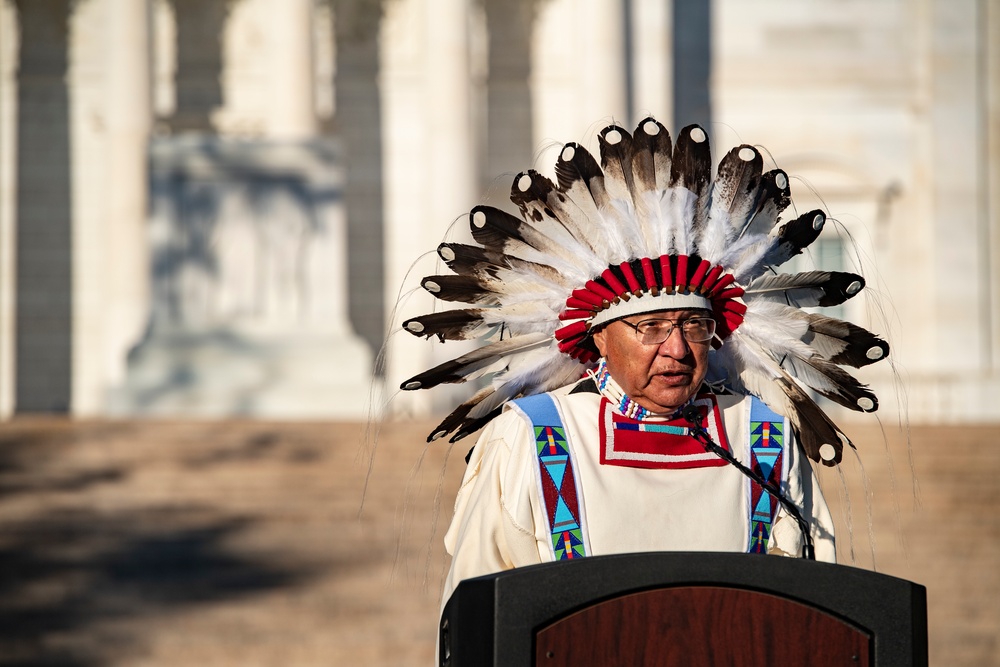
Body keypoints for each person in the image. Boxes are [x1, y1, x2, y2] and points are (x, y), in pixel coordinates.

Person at [395, 118, 889, 606]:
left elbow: (813, 609)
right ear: (600, 339)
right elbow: (478, 611)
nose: (676, 349)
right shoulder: (529, 438)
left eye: (693, 326)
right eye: (650, 327)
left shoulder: (767, 440)